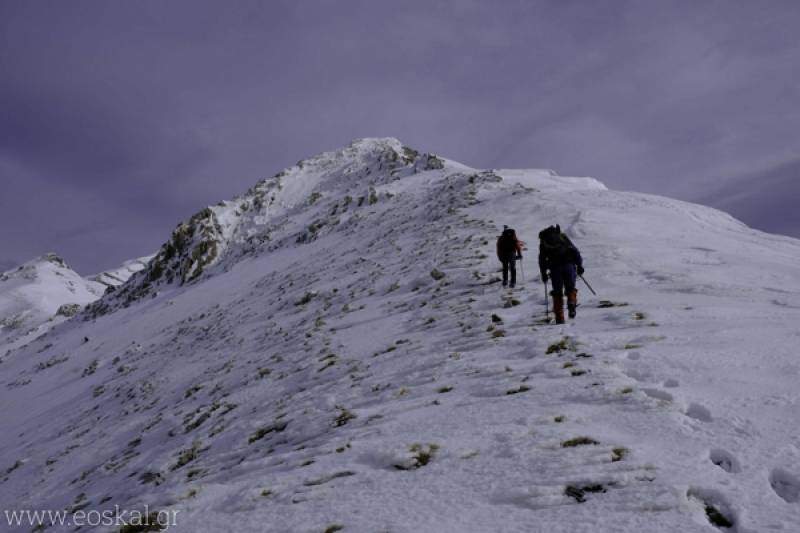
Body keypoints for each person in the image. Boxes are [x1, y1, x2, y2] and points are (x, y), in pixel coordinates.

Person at [538, 225, 584, 324]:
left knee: (557, 292)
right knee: (570, 288)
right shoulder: (561, 236)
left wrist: (543, 273)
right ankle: (571, 303)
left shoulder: (543, 242)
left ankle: (560, 318)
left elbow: (542, 260)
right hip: (569, 265)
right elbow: (574, 250)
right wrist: (579, 265)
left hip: (555, 269)